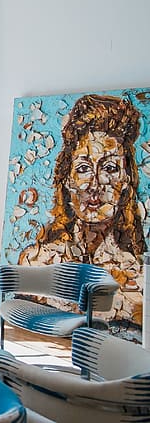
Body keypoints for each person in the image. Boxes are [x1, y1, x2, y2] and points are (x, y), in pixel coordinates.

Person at [19, 93, 145, 326]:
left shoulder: (137, 276)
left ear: (126, 178)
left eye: (109, 167)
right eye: (84, 167)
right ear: (67, 178)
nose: (94, 185)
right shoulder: (37, 261)